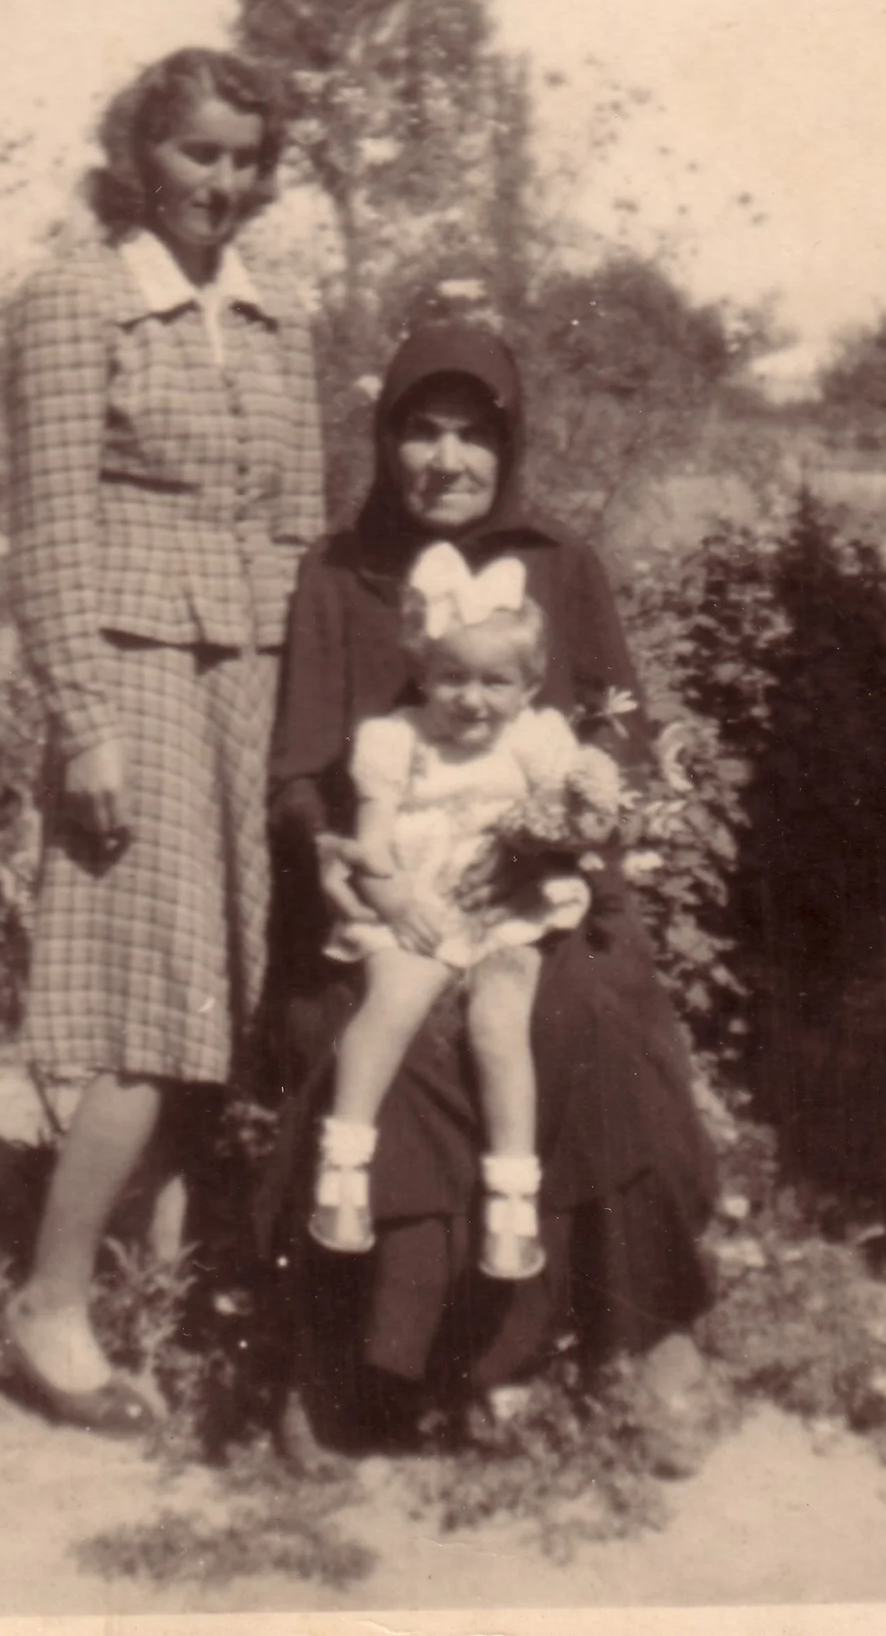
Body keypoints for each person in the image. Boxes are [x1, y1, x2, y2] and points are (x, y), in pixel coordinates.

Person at [261, 321, 717, 1459]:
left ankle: (639, 1333)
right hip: (392, 892)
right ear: (385, 441)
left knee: (586, 1020)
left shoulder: (559, 561)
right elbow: (298, 769)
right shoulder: (338, 573)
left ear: (507, 447)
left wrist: (582, 804)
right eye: (421, 431)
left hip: (535, 889)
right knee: (386, 1041)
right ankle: (361, 1360)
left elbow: (618, 717)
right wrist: (337, 855)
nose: (447, 459)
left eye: (474, 435)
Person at [5, 47, 323, 1435]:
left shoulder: (275, 313)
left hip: (253, 678)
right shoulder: (77, 299)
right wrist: (83, 721)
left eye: (247, 157)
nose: (224, 181)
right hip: (133, 678)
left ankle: (165, 1277)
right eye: (201, 151)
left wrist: (315, 708)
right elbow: (52, 530)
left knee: (226, 995)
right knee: (152, 1002)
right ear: (143, 155)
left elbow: (301, 526)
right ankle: (49, 1302)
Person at [310, 548, 623, 1280]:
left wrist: (574, 816)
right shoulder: (397, 738)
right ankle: (344, 1168)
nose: (471, 699)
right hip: (416, 899)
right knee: (397, 996)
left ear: (529, 687)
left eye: (495, 681)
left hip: (505, 907)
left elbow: (566, 818)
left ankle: (512, 1198)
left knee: (500, 1021)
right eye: (452, 677)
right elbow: (374, 834)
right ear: (423, 673)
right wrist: (391, 895)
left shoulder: (534, 740)